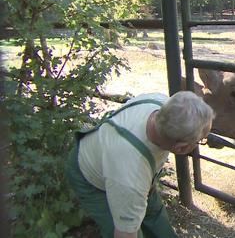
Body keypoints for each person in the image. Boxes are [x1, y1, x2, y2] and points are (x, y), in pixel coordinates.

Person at [65, 91, 215, 238]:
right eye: (200, 141)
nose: (200, 143)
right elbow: (125, 234)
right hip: (89, 177)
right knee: (120, 227)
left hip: (115, 161)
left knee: (156, 220)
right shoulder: (131, 178)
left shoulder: (160, 103)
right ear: (180, 148)